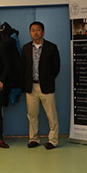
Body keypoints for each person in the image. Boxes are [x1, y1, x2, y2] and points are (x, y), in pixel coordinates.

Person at [22, 21, 60, 149]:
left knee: (51, 115)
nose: (35, 32)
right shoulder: (26, 48)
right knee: (32, 115)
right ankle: (33, 139)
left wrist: (48, 79)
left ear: (43, 32)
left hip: (46, 87)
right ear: (30, 32)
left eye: (38, 30)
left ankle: (53, 140)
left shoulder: (51, 47)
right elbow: (23, 67)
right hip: (31, 87)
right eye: (33, 30)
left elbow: (56, 67)